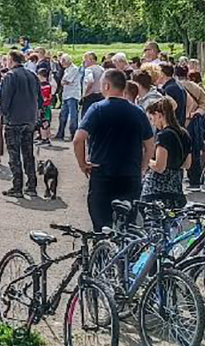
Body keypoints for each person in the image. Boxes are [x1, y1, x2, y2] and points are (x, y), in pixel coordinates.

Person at [74, 69, 153, 231]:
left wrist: (83, 163)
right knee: (128, 225)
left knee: (101, 223)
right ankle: (125, 254)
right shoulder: (138, 112)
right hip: (130, 175)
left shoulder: (97, 109)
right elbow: (150, 144)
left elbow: (78, 139)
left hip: (103, 173)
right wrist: (143, 167)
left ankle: (102, 253)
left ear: (106, 85)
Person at [0, 51, 41, 198]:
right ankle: (31, 186)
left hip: (14, 120)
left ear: (11, 60)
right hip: (30, 119)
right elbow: (39, 99)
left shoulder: (10, 76)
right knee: (28, 154)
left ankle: (17, 186)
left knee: (14, 155)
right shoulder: (32, 75)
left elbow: (5, 99)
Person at [142, 96, 190, 212]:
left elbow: (159, 167)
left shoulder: (164, 136)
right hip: (176, 187)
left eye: (152, 118)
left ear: (159, 115)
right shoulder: (184, 134)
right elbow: (187, 164)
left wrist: (147, 160)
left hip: (157, 190)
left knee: (153, 225)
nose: (153, 123)